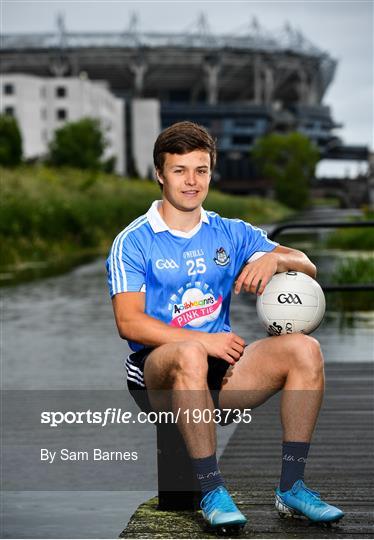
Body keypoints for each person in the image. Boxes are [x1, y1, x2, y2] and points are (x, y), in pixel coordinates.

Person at [106, 121, 344, 531]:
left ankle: (291, 487)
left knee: (305, 349)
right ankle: (212, 490)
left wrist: (275, 259)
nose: (191, 181)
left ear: (212, 172)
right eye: (180, 170)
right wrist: (203, 340)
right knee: (189, 352)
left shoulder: (230, 232)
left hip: (223, 368)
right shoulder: (135, 240)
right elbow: (129, 323)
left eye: (201, 170)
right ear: (160, 174)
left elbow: (308, 263)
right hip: (157, 376)